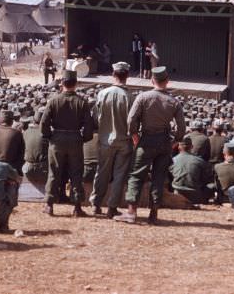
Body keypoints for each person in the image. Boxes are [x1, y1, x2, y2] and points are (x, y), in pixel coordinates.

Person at [116, 66, 185, 225]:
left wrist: (134, 136)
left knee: (136, 175)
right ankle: (153, 214)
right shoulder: (174, 102)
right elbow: (181, 128)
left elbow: (131, 120)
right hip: (164, 141)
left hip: (146, 140)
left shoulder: (143, 97)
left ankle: (131, 212)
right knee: (159, 178)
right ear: (167, 81)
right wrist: (174, 142)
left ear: (152, 80)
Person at [40, 69, 95, 217]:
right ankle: (77, 207)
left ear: (62, 83)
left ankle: (49, 205)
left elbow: (44, 123)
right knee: (76, 173)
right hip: (75, 139)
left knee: (54, 172)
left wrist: (50, 136)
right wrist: (83, 138)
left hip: (57, 139)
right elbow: (89, 126)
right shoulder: (82, 102)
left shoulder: (54, 101)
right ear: (75, 84)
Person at [91, 62, 134, 218]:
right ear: (127, 76)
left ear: (113, 75)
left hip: (105, 140)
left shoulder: (102, 94)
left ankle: (96, 204)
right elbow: (133, 122)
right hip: (124, 141)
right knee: (119, 175)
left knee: (101, 172)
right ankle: (112, 207)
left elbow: (95, 117)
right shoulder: (130, 97)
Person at [170, 136, 214, 205]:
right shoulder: (199, 161)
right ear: (192, 147)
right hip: (195, 196)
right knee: (212, 185)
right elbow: (206, 180)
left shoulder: (172, 161)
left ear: (179, 147)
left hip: (177, 194)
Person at [0, 109, 25, 174]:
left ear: (0, 121)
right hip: (10, 167)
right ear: (12, 122)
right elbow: (22, 152)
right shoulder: (17, 133)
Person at [21, 114, 49, 192]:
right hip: (43, 170)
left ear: (33, 121)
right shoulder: (47, 133)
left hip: (27, 169)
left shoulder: (26, 133)